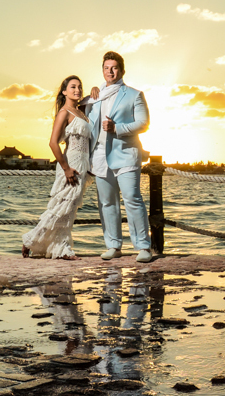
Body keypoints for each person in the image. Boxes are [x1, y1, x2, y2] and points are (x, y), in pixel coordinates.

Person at [87, 50, 153, 263]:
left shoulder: (134, 94)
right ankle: (113, 246)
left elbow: (143, 123)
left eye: (114, 67)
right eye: (106, 68)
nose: (110, 71)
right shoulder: (95, 96)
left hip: (126, 154)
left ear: (122, 70)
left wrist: (118, 128)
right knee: (107, 203)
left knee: (133, 200)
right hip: (99, 156)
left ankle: (143, 247)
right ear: (102, 70)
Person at [21, 75, 92, 260]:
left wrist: (94, 91)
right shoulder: (64, 112)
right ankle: (32, 240)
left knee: (70, 208)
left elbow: (93, 100)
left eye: (80, 87)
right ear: (64, 91)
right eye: (73, 87)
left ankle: (61, 247)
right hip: (71, 163)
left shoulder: (81, 112)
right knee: (62, 205)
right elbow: (53, 143)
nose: (77, 90)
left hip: (83, 163)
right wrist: (66, 168)